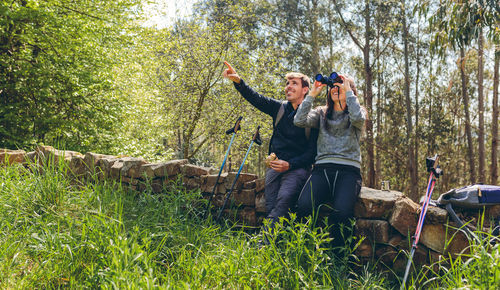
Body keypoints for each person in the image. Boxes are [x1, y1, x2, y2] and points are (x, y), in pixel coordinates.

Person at [222, 61, 318, 227]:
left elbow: (312, 153)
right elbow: (256, 98)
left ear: (305, 90)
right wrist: (238, 82)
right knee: (271, 206)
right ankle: (278, 246)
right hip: (274, 167)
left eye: (294, 83)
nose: (288, 86)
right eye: (287, 83)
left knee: (283, 201)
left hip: (297, 169)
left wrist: (289, 165)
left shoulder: (313, 117)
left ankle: (263, 244)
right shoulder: (279, 108)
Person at [293, 74, 367, 249]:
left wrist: (347, 88)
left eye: (339, 85)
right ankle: (303, 250)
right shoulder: (321, 113)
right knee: (303, 207)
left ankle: (340, 259)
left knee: (342, 213)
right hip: (322, 169)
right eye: (332, 86)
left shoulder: (357, 111)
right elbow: (299, 120)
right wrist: (312, 93)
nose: (335, 88)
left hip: (349, 171)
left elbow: (358, 119)